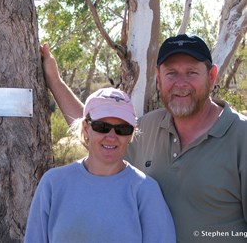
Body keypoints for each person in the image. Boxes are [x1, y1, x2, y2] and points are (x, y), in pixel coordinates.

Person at [40, 34, 247, 242]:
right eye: (171, 73)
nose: (180, 83)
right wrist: (54, 81)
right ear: (158, 78)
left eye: (191, 72)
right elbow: (99, 132)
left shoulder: (242, 136)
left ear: (211, 76)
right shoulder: (148, 127)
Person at [24, 87, 176, 243]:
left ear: (131, 135)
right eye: (102, 127)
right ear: (86, 128)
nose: (111, 137)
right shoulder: (53, 183)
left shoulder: (145, 190)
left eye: (122, 129)